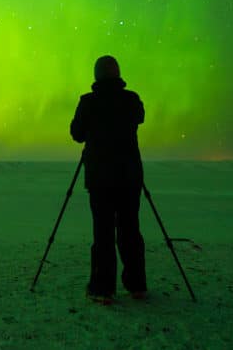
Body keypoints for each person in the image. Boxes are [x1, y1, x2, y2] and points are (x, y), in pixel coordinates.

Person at [70, 55, 147, 303]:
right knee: (130, 230)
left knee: (103, 234)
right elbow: (140, 117)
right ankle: (136, 285)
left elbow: (77, 133)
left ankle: (103, 289)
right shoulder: (131, 100)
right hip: (129, 178)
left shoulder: (88, 103)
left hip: (100, 179)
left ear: (96, 75)